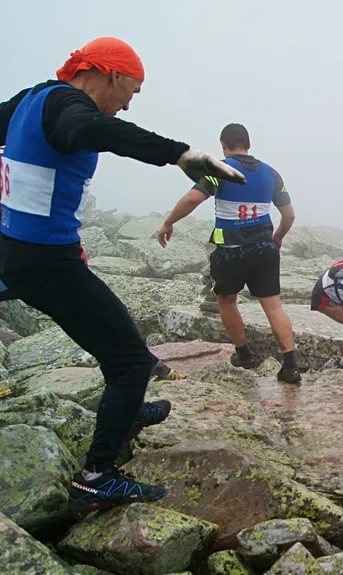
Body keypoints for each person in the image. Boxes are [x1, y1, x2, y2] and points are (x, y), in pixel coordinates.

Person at [0, 37, 244, 512]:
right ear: (109, 75)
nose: (129, 102)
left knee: (125, 347)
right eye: (131, 90)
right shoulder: (67, 107)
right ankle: (96, 477)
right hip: (46, 264)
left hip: (27, 254)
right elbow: (89, 130)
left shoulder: (30, 99)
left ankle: (127, 412)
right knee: (133, 363)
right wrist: (180, 155)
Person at [157, 123, 300, 384]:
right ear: (249, 143)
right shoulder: (272, 174)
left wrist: (168, 222)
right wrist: (277, 237)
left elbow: (192, 199)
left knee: (226, 300)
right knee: (273, 306)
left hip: (229, 251)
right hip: (265, 249)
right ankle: (290, 365)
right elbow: (289, 215)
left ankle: (244, 354)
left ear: (223, 145)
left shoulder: (219, 171)